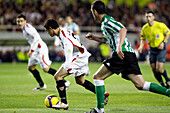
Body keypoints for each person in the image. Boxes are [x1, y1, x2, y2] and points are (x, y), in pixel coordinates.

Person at [85, 1, 170, 113]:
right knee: (140, 84)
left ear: (95, 12)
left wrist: (119, 47)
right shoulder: (106, 23)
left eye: (92, 12)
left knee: (97, 77)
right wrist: (94, 38)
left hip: (121, 54)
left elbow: (123, 29)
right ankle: (168, 92)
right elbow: (108, 40)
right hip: (128, 55)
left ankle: (99, 110)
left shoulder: (107, 21)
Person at [43, 18, 109, 110]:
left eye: (47, 31)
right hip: (82, 55)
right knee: (80, 81)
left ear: (50, 28)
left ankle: (64, 103)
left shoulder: (63, 35)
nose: (48, 33)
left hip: (78, 57)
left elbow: (69, 48)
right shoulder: (63, 31)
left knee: (58, 76)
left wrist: (68, 64)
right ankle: (103, 95)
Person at [16, 14, 70, 91]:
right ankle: (41, 85)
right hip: (35, 50)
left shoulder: (28, 28)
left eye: (21, 21)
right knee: (31, 68)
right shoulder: (24, 29)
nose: (20, 23)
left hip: (40, 50)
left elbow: (37, 38)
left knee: (46, 69)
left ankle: (65, 82)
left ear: (25, 21)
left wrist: (31, 50)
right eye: (18, 21)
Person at [138, 11, 170, 88]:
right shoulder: (145, 28)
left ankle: (168, 80)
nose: (148, 18)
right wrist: (141, 46)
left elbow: (168, 33)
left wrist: (163, 42)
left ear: (153, 17)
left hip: (160, 49)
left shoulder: (160, 25)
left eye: (149, 16)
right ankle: (163, 85)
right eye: (146, 17)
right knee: (154, 70)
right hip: (152, 49)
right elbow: (143, 38)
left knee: (159, 69)